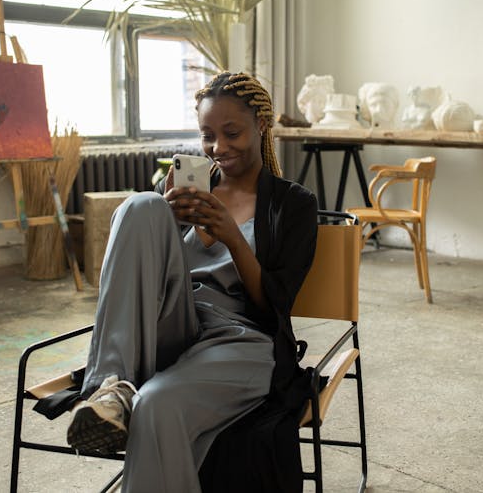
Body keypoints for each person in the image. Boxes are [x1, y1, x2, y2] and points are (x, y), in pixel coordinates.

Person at [66, 71, 319, 493]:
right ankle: (108, 388)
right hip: (176, 323)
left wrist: (232, 236)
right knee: (141, 206)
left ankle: (129, 398)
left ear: (261, 124)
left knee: (155, 406)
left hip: (242, 340)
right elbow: (151, 279)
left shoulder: (293, 204)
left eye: (231, 132)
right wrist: (166, 222)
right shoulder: (192, 193)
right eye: (207, 135)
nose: (218, 148)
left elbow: (276, 304)